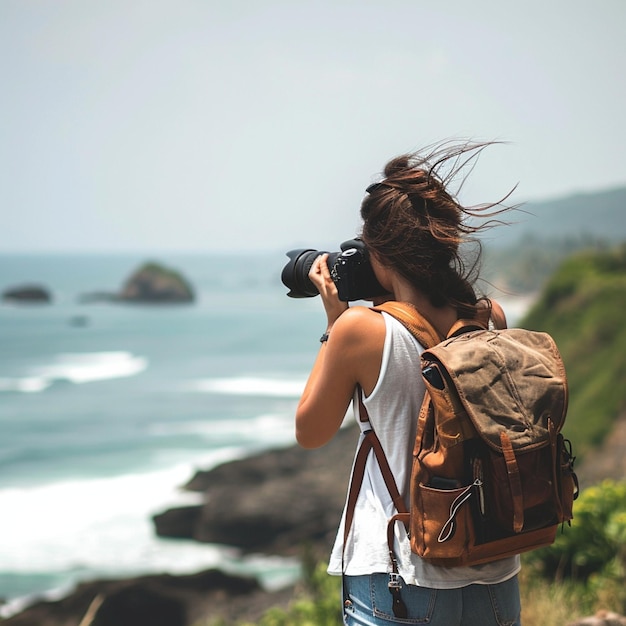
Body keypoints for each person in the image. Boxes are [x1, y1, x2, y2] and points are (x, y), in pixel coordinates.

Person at [294, 141, 522, 625]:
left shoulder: (360, 331)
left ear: (379, 252)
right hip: (496, 566)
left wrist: (334, 324)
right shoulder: (488, 318)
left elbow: (310, 432)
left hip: (403, 571)